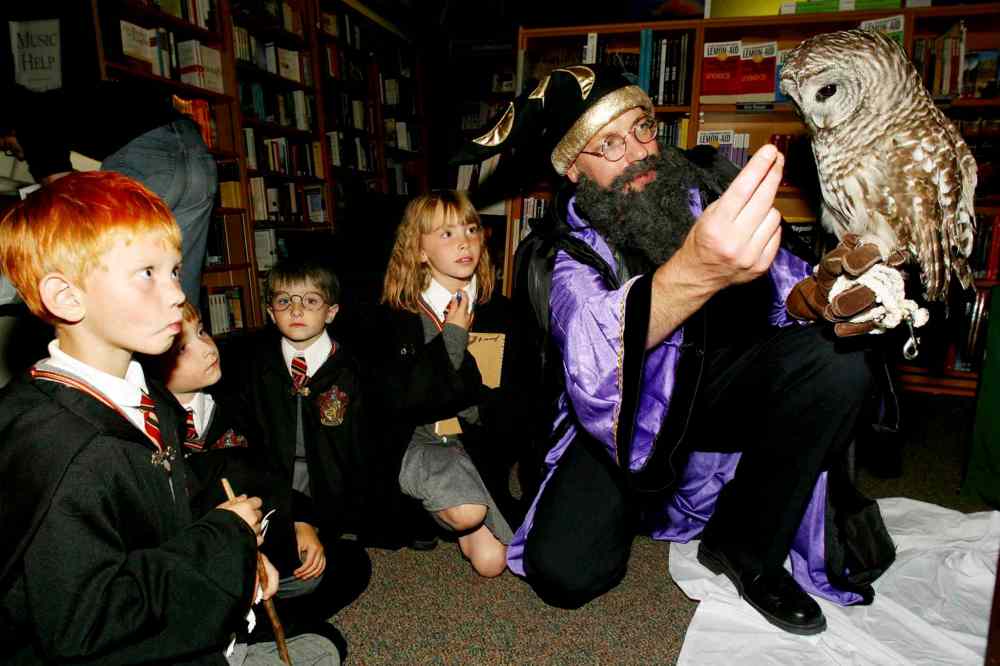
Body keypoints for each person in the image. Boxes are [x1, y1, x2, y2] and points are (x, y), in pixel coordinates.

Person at [455, 65, 895, 634]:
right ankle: (636, 507)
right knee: (563, 573)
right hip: (619, 419)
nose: (637, 151)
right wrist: (698, 270)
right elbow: (593, 353)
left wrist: (835, 295)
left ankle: (746, 546)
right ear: (572, 169)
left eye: (641, 128)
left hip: (721, 390)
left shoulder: (707, 183)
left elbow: (789, 287)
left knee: (836, 361)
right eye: (607, 144)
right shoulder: (560, 254)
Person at [0, 171, 337, 665]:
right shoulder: (65, 449)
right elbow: (86, 626)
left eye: (174, 270)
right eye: (147, 273)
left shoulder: (148, 398)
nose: (178, 293)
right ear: (66, 297)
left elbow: (166, 512)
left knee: (325, 645)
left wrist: (242, 556)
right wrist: (224, 542)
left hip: (175, 604)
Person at [147, 301, 359, 660]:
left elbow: (275, 473)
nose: (206, 348)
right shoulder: (152, 435)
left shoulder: (236, 405)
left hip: (266, 556)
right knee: (323, 638)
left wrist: (302, 521)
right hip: (208, 572)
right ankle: (246, 627)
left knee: (351, 564)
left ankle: (257, 622)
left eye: (201, 332)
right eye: (183, 348)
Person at [363, 190, 538, 577]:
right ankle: (426, 508)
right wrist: (454, 337)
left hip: (475, 446)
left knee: (493, 563)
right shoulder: (395, 316)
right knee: (468, 512)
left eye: (471, 229)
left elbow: (519, 406)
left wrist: (477, 409)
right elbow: (403, 403)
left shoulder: (504, 313)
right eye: (446, 234)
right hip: (415, 443)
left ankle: (456, 504)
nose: (464, 242)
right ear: (420, 250)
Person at [225, 258, 376, 585]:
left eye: (310, 301)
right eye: (284, 301)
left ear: (331, 312)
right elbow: (248, 438)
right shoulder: (256, 368)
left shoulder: (352, 369)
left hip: (334, 484)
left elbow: (363, 445)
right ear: (270, 312)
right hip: (277, 481)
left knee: (337, 562)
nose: (296, 311)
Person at [0, 79, 217, 307]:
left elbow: (65, 196)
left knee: (111, 270)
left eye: (6, 146)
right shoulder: (63, 100)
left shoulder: (30, 119)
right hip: (196, 151)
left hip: (146, 155)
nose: (16, 155)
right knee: (180, 281)